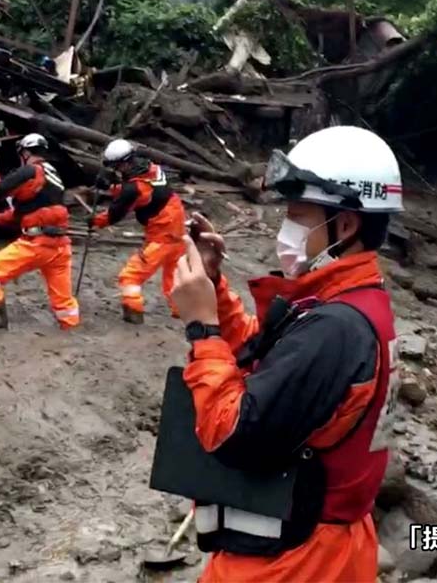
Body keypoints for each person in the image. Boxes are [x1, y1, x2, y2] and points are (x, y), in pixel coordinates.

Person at [168, 125, 403, 582]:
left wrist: (202, 328)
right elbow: (271, 357)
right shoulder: (349, 306)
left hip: (294, 562)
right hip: (317, 544)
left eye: (298, 215)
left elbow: (232, 433)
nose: (286, 230)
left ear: (347, 225)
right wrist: (215, 292)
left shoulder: (335, 330)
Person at [0, 133, 79, 330]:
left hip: (35, 244)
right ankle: (70, 329)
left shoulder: (30, 171)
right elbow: (23, 212)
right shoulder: (52, 175)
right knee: (64, 304)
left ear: (25, 152)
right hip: (60, 246)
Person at [90, 139, 186, 323]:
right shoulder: (152, 168)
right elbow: (140, 192)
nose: (115, 171)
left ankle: (133, 311)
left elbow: (115, 214)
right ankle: (183, 310)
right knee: (173, 275)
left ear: (123, 163)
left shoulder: (133, 188)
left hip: (162, 235)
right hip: (178, 229)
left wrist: (94, 221)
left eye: (116, 167)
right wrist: (112, 189)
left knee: (131, 275)